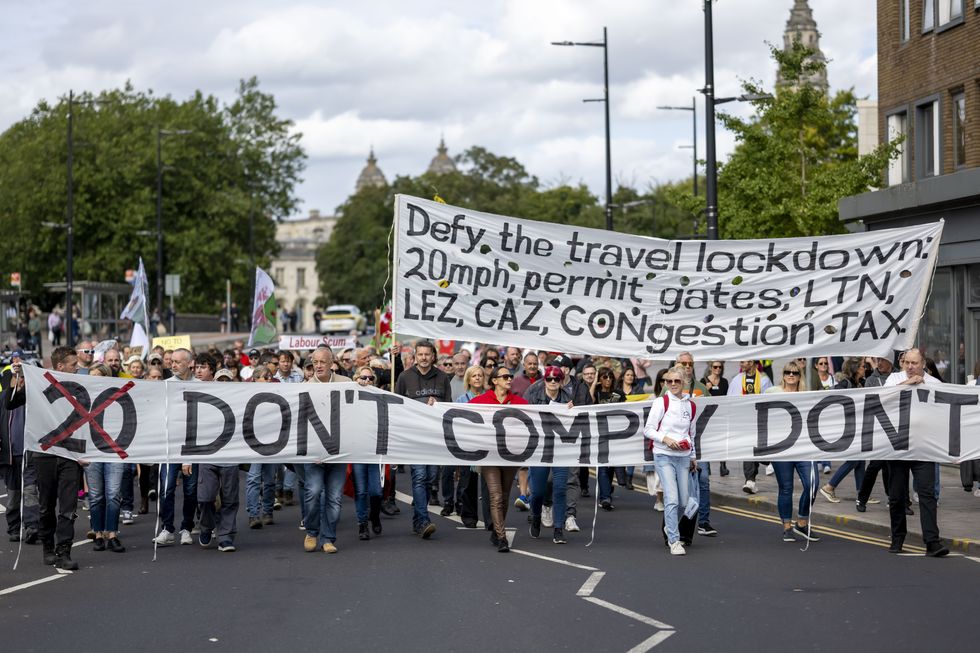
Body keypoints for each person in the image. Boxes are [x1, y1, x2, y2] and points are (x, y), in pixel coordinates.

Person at [11, 346, 82, 569]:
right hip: (45, 455)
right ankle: (48, 548)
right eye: (73, 364)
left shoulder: (81, 387)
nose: (77, 368)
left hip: (70, 454)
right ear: (60, 366)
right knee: (46, 506)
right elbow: (10, 403)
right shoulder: (40, 385)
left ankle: (64, 551)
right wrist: (18, 380)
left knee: (69, 507)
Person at [882, 348, 948, 556]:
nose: (910, 367)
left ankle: (932, 541)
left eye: (914, 363)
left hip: (924, 446)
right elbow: (882, 399)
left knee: (927, 495)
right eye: (906, 363)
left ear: (923, 364)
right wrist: (907, 384)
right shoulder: (894, 378)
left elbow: (946, 415)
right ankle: (897, 538)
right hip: (898, 445)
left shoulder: (935, 384)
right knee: (897, 496)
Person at [394, 340, 452, 540]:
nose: (424, 358)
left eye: (427, 354)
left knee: (430, 478)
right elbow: (397, 406)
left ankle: (418, 520)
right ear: (415, 356)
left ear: (433, 356)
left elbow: (449, 407)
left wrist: (439, 404)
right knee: (419, 476)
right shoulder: (404, 376)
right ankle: (424, 520)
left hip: (434, 436)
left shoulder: (443, 377)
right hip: (414, 435)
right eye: (420, 354)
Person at [469, 365, 529, 552]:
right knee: (495, 495)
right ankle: (502, 537)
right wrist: (434, 406)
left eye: (511, 376)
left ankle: (496, 531)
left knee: (503, 496)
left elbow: (541, 415)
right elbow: (457, 412)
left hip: (511, 456)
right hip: (489, 456)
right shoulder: (482, 400)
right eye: (505, 376)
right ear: (494, 381)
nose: (510, 379)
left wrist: (565, 410)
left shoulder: (519, 402)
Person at [643, 365, 698, 556]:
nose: (673, 384)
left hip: (683, 458)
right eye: (669, 381)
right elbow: (648, 429)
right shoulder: (661, 402)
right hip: (663, 455)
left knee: (683, 501)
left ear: (685, 382)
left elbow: (691, 434)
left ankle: (671, 528)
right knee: (672, 499)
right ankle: (674, 540)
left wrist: (693, 457)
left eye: (677, 381)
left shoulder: (690, 405)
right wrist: (665, 439)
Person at [302, 346, 351, 553]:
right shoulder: (304, 387)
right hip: (314, 454)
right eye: (315, 362)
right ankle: (312, 531)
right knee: (313, 492)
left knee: (334, 497)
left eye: (322, 362)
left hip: (338, 452)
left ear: (332, 364)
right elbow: (300, 423)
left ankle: (328, 537)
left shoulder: (347, 384)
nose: (318, 366)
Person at [765, 362, 821, 543]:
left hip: (804, 447)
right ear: (783, 374)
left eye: (795, 373)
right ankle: (787, 527)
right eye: (788, 372)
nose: (791, 375)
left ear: (800, 376)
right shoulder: (772, 392)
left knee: (812, 484)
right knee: (786, 488)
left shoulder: (807, 394)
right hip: (781, 448)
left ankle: (802, 523)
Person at [525, 365, 575, 544]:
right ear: (544, 380)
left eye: (557, 379)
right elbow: (523, 416)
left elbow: (577, 423)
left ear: (562, 381)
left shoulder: (568, 398)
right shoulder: (533, 395)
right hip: (540, 449)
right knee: (538, 492)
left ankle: (558, 528)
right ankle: (536, 515)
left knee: (560, 489)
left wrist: (572, 411)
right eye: (549, 379)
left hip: (561, 449)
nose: (553, 382)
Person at [819, 357, 869, 503]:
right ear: (854, 369)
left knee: (860, 460)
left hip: (857, 425)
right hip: (848, 427)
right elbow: (835, 399)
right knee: (855, 459)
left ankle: (862, 493)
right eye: (862, 366)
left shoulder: (859, 383)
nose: (864, 368)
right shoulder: (845, 383)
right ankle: (829, 486)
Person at [728, 360, 772, 494]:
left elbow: (770, 398)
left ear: (752, 362)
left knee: (759, 450)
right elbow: (730, 398)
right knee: (748, 449)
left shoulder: (764, 380)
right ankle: (750, 481)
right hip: (744, 421)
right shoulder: (737, 379)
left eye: (744, 361)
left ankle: (768, 461)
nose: (741, 364)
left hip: (759, 420)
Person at [352, 366, 384, 539]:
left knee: (376, 492)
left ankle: (375, 516)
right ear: (356, 378)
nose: (367, 381)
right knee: (361, 491)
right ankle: (362, 523)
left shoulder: (380, 397)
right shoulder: (350, 397)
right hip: (358, 450)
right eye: (363, 377)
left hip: (374, 451)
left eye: (370, 378)